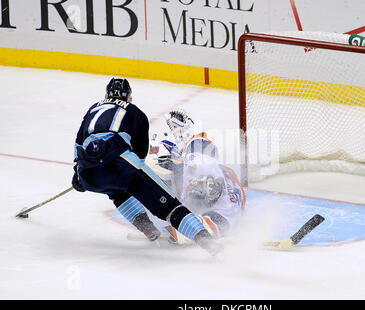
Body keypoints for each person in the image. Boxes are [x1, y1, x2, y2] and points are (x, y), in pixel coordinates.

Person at [71, 78, 223, 256]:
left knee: (117, 191)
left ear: (106, 94)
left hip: (87, 172)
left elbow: (78, 145)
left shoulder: (92, 109)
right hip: (120, 165)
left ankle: (147, 228)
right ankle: (206, 241)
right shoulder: (135, 112)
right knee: (169, 207)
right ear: (129, 97)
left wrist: (79, 176)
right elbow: (140, 154)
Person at [148, 109, 246, 243]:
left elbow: (201, 151)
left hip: (223, 214)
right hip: (227, 209)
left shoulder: (194, 162)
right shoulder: (192, 167)